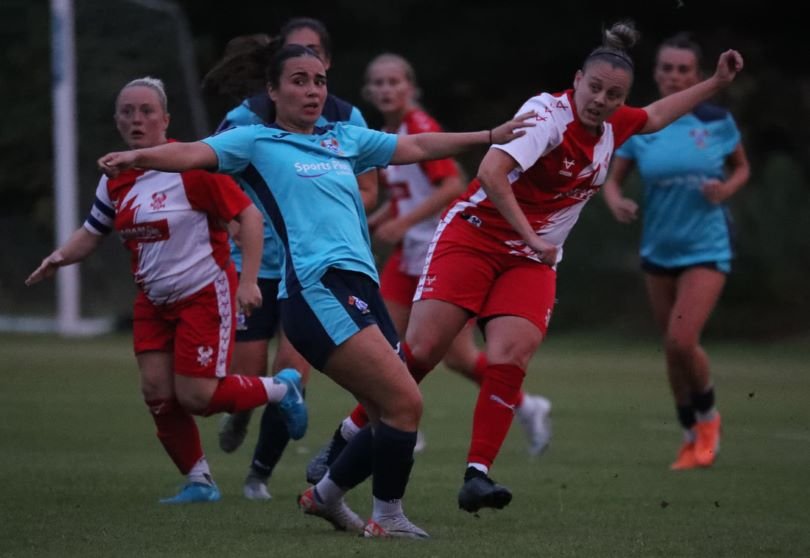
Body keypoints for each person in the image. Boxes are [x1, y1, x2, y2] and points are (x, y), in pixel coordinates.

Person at [97, 46, 534, 538]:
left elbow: (416, 147)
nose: (312, 91)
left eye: (319, 81)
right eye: (299, 81)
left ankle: (324, 497)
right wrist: (139, 156)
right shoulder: (255, 142)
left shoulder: (341, 138)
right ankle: (387, 516)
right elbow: (193, 152)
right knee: (404, 404)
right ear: (273, 90)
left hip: (360, 287)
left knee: (384, 411)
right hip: (316, 289)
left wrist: (491, 136)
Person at [392, 21, 742, 514]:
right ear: (577, 80)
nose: (601, 99)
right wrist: (533, 236)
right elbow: (491, 174)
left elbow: (658, 113)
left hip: (531, 258)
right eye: (594, 87)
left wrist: (718, 83)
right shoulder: (546, 115)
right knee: (424, 350)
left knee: (510, 354)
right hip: (480, 236)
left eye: (613, 94)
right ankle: (346, 440)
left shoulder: (617, 125)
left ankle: (478, 475)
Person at [25, 77, 308, 504]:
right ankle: (200, 482)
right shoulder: (114, 180)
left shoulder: (190, 167)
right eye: (127, 111)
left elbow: (248, 218)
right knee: (157, 392)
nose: (136, 119)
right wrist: (59, 257)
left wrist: (248, 280)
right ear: (117, 121)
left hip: (203, 293)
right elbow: (92, 231)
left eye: (146, 111)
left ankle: (282, 389)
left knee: (196, 397)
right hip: (153, 301)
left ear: (165, 119)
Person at [305, 53, 552, 483]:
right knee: (391, 347)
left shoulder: (419, 126)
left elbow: (453, 183)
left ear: (410, 87)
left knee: (436, 355)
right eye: (377, 83)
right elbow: (405, 197)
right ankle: (397, 421)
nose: (385, 89)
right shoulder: (390, 132)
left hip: (443, 253)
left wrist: (402, 221)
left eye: (393, 81)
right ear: (368, 91)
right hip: (408, 256)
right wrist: (382, 220)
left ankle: (404, 421)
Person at [201, 17, 381, 501]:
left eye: (315, 55)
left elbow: (367, 188)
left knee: (293, 375)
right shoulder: (246, 119)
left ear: (328, 62)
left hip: (314, 268)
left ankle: (259, 474)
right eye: (296, 55)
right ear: (277, 73)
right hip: (253, 262)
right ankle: (240, 410)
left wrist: (317, 203)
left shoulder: (347, 120)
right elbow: (216, 176)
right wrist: (235, 221)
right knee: (251, 367)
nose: (307, 65)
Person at [602, 33, 750, 471]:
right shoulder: (643, 123)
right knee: (671, 351)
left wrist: (726, 188)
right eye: (667, 68)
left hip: (706, 246)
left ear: (697, 74)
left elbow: (741, 167)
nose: (674, 76)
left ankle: (708, 420)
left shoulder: (717, 121)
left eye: (683, 69)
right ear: (656, 73)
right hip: (658, 249)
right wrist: (616, 201)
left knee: (681, 339)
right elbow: (612, 179)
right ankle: (689, 436)